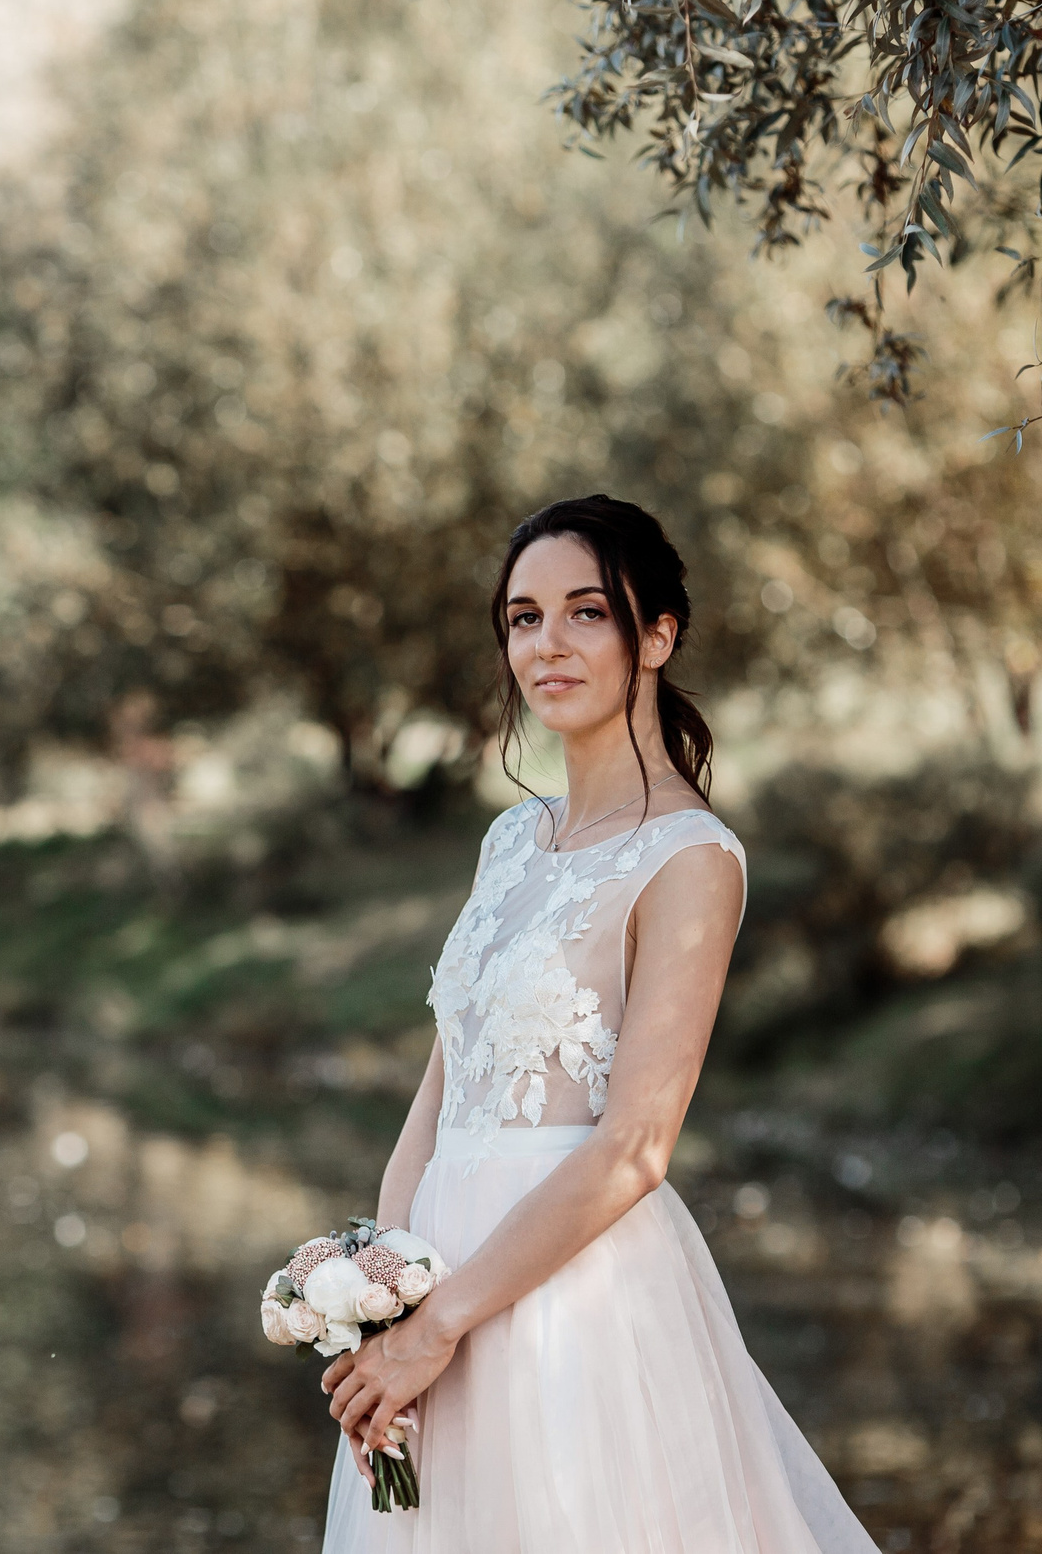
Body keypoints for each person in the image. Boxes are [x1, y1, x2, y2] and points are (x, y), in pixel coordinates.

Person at [318, 496, 872, 1552]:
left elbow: (635, 1148)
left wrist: (440, 1324)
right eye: (523, 618)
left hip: (578, 1301)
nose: (546, 645)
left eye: (585, 613)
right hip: (440, 1280)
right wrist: (383, 1291)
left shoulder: (688, 858)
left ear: (656, 634)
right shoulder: (508, 842)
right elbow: (442, 1089)